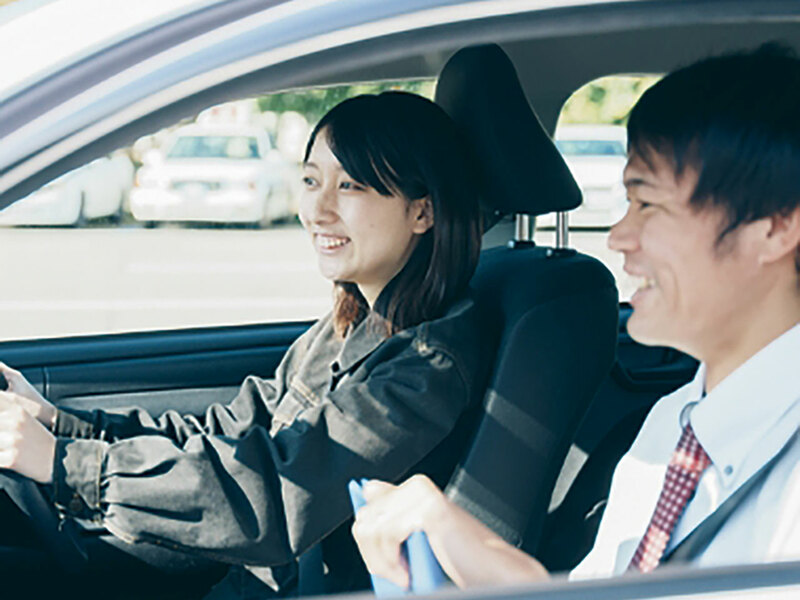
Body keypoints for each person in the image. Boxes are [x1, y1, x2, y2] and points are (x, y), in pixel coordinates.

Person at [0, 91, 487, 596]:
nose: (317, 211)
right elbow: (227, 436)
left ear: (422, 212)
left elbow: (278, 499)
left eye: (350, 186)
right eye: (311, 180)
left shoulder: (426, 367)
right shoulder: (354, 320)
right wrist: (61, 425)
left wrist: (61, 463)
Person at [352, 44, 800, 588]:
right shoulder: (677, 421)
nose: (618, 237)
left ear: (775, 228)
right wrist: (462, 541)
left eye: (648, 204)